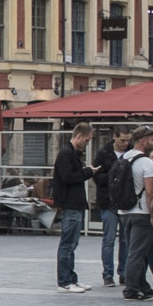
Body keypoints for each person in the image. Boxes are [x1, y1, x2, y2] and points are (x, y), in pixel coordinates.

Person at [117, 126, 153, 301]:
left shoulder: (124, 157)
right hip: (141, 212)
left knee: (135, 250)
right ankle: (131, 289)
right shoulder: (147, 163)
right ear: (143, 140)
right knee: (136, 253)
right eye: (152, 138)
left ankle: (143, 286)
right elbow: (150, 192)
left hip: (125, 211)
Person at [52, 122, 96, 293]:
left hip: (75, 204)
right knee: (67, 244)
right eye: (86, 140)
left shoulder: (72, 153)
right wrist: (88, 172)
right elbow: (67, 177)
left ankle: (71, 278)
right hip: (69, 204)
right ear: (79, 136)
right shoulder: (65, 154)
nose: (87, 143)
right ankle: (64, 281)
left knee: (72, 244)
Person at [92, 129, 131, 287]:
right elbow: (96, 176)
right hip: (108, 202)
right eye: (122, 140)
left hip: (126, 202)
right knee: (108, 239)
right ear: (115, 137)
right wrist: (113, 176)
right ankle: (107, 274)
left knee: (125, 239)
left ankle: (124, 272)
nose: (125, 144)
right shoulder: (104, 153)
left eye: (128, 140)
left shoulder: (131, 153)